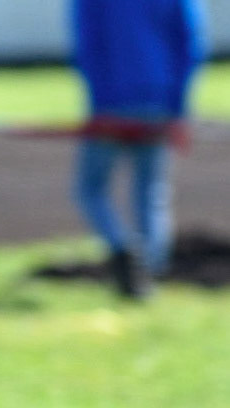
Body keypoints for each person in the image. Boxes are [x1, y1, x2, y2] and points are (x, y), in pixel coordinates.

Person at [71, 0, 208, 299]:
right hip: (159, 101)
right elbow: (189, 45)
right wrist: (178, 108)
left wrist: (101, 106)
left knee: (90, 188)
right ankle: (150, 271)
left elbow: (89, 44)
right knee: (150, 191)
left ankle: (122, 250)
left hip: (111, 104)